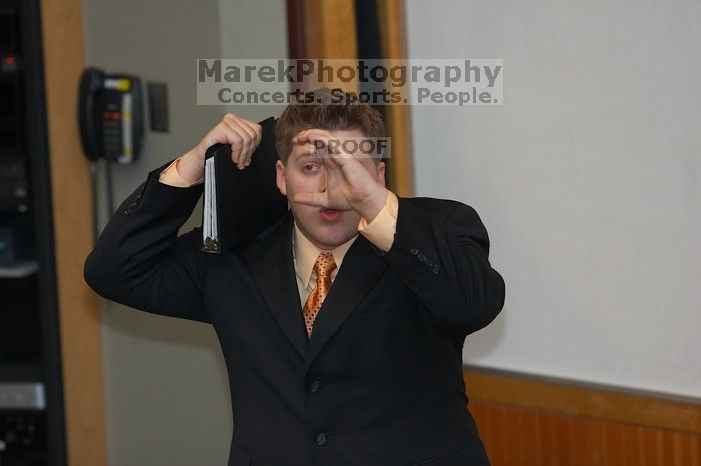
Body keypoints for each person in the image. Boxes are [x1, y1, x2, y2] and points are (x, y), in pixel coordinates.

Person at [84, 88, 506, 466]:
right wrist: (193, 166)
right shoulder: (232, 257)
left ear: (379, 175)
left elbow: (474, 303)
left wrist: (375, 204)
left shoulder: (439, 230)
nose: (331, 188)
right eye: (311, 167)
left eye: (351, 167)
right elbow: (114, 269)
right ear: (282, 179)